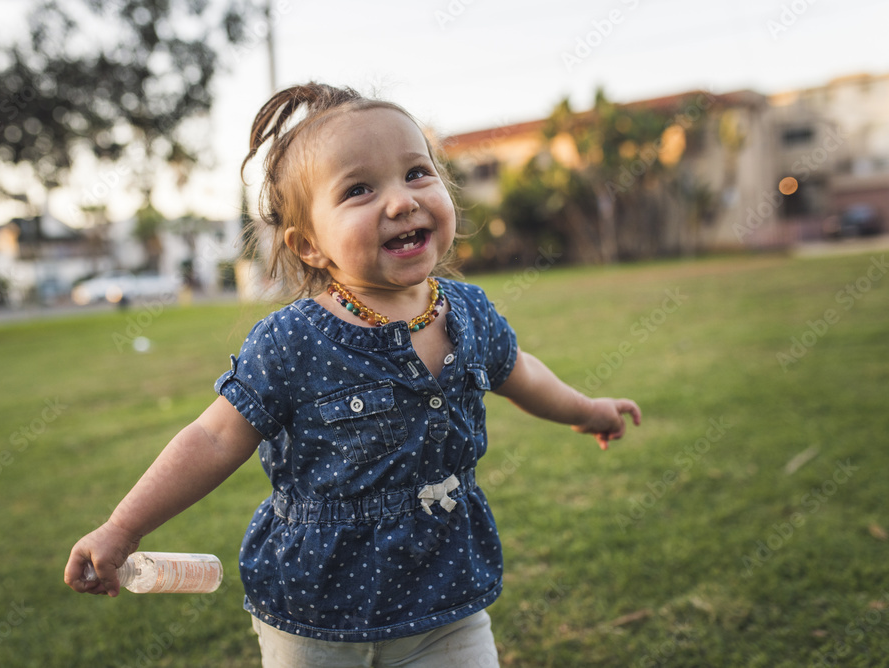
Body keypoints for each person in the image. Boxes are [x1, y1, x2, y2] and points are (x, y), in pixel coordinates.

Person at [64, 82, 641, 667]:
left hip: (446, 609)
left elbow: (521, 373)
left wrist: (586, 409)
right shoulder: (291, 341)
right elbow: (213, 437)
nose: (401, 201)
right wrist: (122, 527)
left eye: (417, 173)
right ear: (309, 245)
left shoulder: (469, 314)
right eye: (359, 189)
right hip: (313, 618)